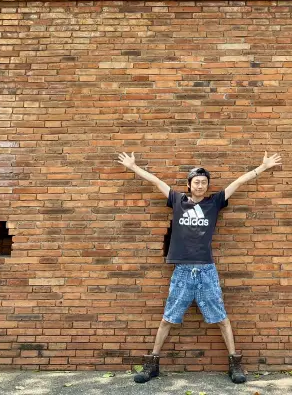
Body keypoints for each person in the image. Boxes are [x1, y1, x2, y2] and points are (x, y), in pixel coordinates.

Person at [117, 151, 282, 384]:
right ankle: (152, 364)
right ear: (189, 184)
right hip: (183, 271)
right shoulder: (177, 200)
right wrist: (133, 167)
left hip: (206, 270)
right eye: (197, 182)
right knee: (167, 319)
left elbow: (238, 182)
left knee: (222, 318)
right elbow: (155, 181)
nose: (201, 185)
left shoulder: (214, 203)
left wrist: (262, 167)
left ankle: (235, 365)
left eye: (204, 182)